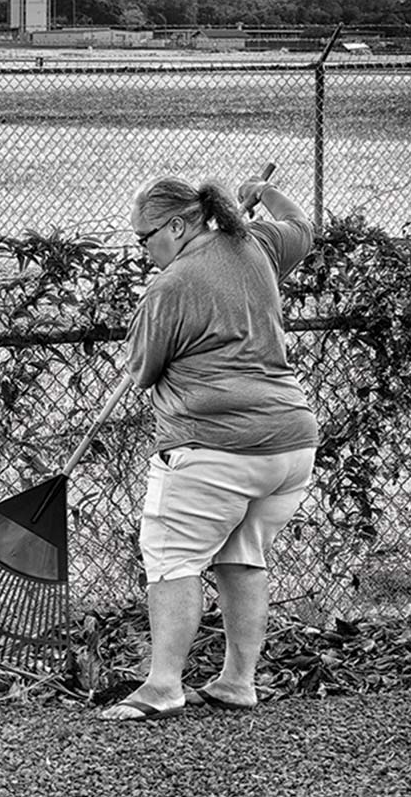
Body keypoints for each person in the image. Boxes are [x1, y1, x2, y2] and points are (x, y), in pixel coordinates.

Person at [101, 173, 319, 722]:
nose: (143, 249)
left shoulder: (170, 286)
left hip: (213, 446)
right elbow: (302, 226)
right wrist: (261, 193)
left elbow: (143, 372)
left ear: (177, 225)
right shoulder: (257, 244)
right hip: (290, 445)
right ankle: (237, 682)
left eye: (145, 237)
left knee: (171, 559)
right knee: (242, 556)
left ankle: (162, 686)